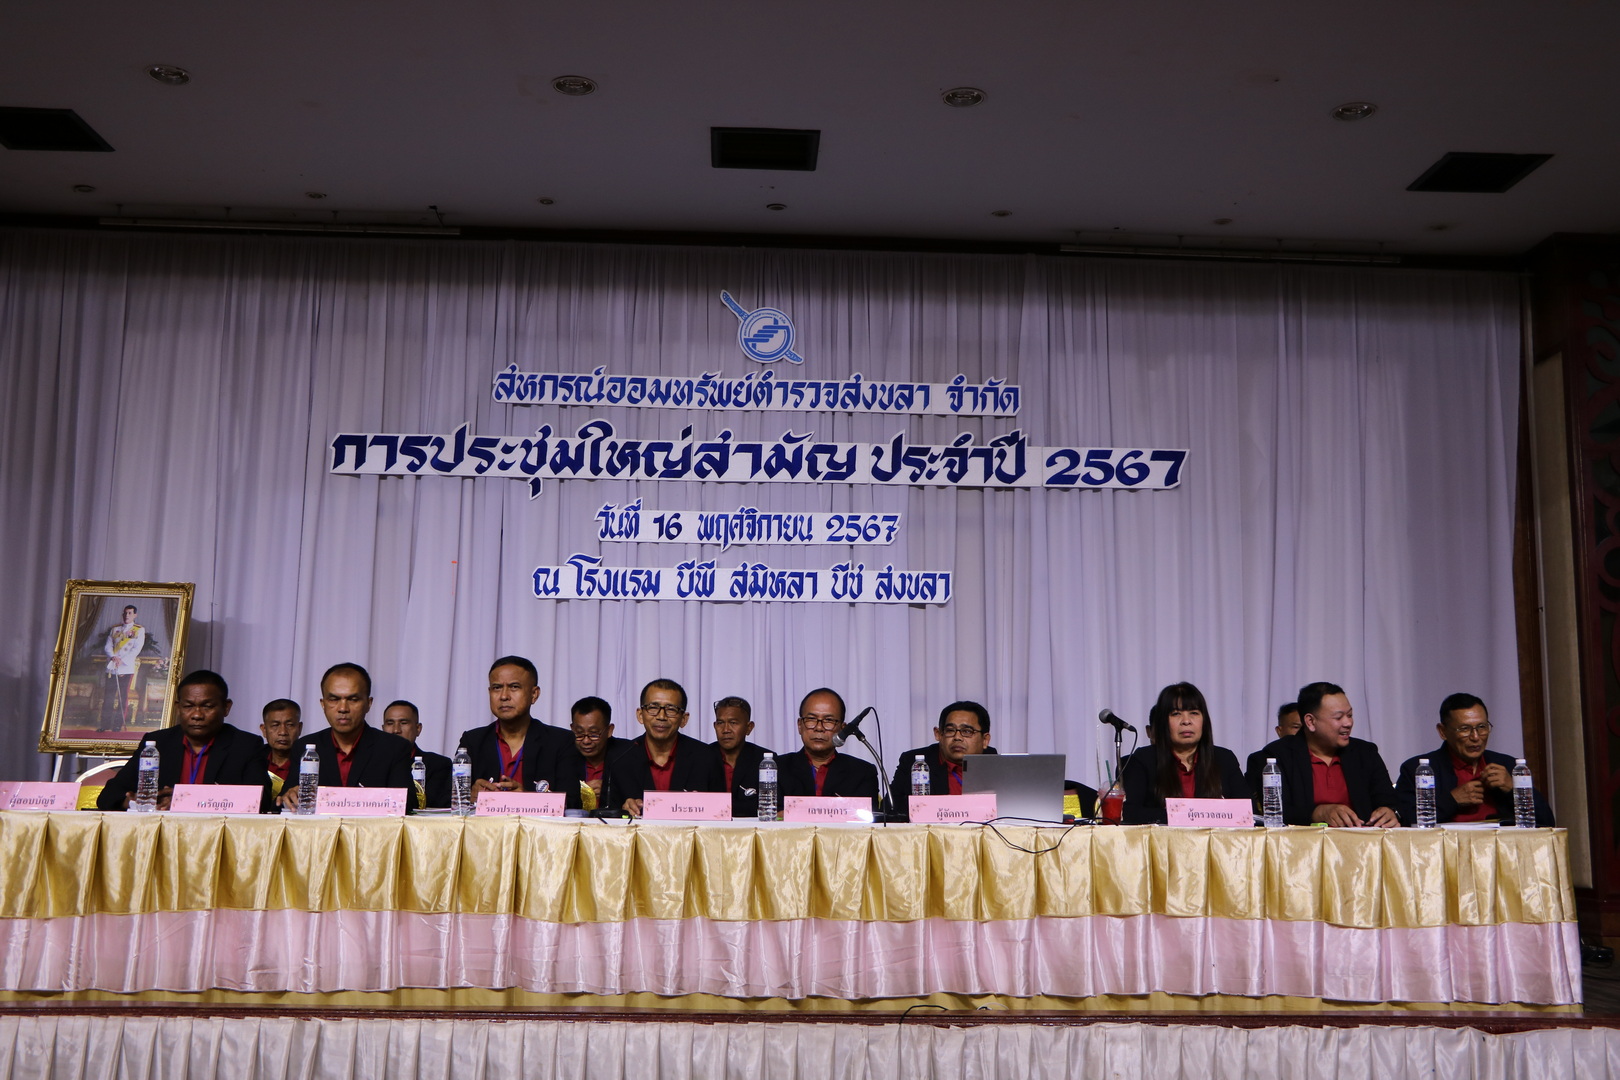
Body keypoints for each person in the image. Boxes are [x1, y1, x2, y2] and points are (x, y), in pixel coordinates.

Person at [97, 670, 271, 811]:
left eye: (207, 706)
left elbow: (260, 799)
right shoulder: (158, 743)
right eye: (188, 706)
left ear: (226, 707)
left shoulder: (245, 745)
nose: (197, 715)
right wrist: (136, 802)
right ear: (178, 708)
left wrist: (185, 800)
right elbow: (109, 796)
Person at [1244, 681, 1400, 827]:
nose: (1348, 723)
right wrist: (1316, 813)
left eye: (1350, 715)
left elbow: (1390, 800)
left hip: (1362, 841)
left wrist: (1390, 812)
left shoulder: (1365, 753)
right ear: (1310, 722)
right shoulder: (1276, 756)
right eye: (1338, 717)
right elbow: (1272, 813)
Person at [1394, 693, 1555, 827]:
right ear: (1443, 731)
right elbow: (1405, 821)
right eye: (1465, 729)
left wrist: (1513, 788)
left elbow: (1547, 821)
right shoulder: (1417, 769)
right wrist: (1452, 800)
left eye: (1482, 727)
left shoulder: (1508, 765)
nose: (1476, 737)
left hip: (1502, 849)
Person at [281, 662, 414, 809]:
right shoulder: (304, 747)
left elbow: (406, 805)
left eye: (353, 699)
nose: (343, 708)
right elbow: (283, 802)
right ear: (323, 704)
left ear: (369, 703)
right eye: (334, 699)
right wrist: (290, 797)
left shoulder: (394, 748)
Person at [1120, 682, 1249, 825]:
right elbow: (1130, 813)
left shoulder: (1224, 758)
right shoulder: (1142, 760)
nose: (1186, 721)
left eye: (1194, 713)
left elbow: (1248, 813)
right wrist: (1186, 815)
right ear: (1163, 722)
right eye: (1176, 714)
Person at [457, 656, 572, 799]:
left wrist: (527, 799)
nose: (504, 696)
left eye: (514, 687)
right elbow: (451, 798)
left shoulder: (561, 742)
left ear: (534, 694)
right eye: (497, 688)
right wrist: (468, 796)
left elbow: (572, 801)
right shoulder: (472, 741)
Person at [609, 678, 727, 816]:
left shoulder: (707, 758)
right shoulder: (619, 759)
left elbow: (721, 813)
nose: (661, 716)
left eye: (671, 709)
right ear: (640, 715)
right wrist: (622, 811)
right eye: (653, 708)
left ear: (684, 719)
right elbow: (606, 815)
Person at [887, 700, 998, 817]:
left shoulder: (994, 765)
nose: (957, 737)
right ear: (939, 734)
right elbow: (890, 811)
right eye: (950, 730)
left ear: (985, 740)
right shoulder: (914, 762)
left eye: (967, 731)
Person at [777, 688, 881, 807]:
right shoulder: (776, 768)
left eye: (829, 720)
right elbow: (769, 814)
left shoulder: (862, 772)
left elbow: (866, 816)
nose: (819, 728)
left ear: (842, 728)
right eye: (811, 719)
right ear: (800, 725)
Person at [557, 696, 631, 810]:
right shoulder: (563, 756)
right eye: (579, 733)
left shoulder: (627, 754)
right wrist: (579, 794)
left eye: (594, 734)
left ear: (609, 730)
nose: (586, 741)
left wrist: (610, 791)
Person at [382, 699, 451, 809]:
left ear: (418, 729)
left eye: (403, 723)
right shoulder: (371, 763)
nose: (396, 730)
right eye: (390, 723)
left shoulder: (438, 765)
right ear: (382, 729)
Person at [712, 696, 773, 817]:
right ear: (715, 726)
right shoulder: (702, 757)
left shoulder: (764, 761)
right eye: (720, 723)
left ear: (749, 728)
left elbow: (769, 807)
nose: (726, 730)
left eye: (733, 723)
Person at [100, 604, 146, 730]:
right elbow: (108, 646)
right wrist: (113, 656)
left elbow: (136, 649)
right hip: (112, 667)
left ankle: (117, 725)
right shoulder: (115, 629)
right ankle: (105, 725)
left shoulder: (139, 630)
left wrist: (122, 660)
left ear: (135, 615)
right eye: (125, 613)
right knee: (108, 697)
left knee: (122, 697)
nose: (127, 615)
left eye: (130, 613)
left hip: (126, 668)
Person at [260, 698, 303, 802]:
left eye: (290, 725)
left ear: (299, 728)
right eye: (275, 725)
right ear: (264, 730)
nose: (283, 732)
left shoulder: (309, 762)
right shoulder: (253, 759)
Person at [1246, 701, 1302, 779]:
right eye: (1296, 727)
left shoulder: (1317, 759)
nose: (1302, 732)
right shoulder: (1261, 760)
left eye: (1307, 727)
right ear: (1279, 731)